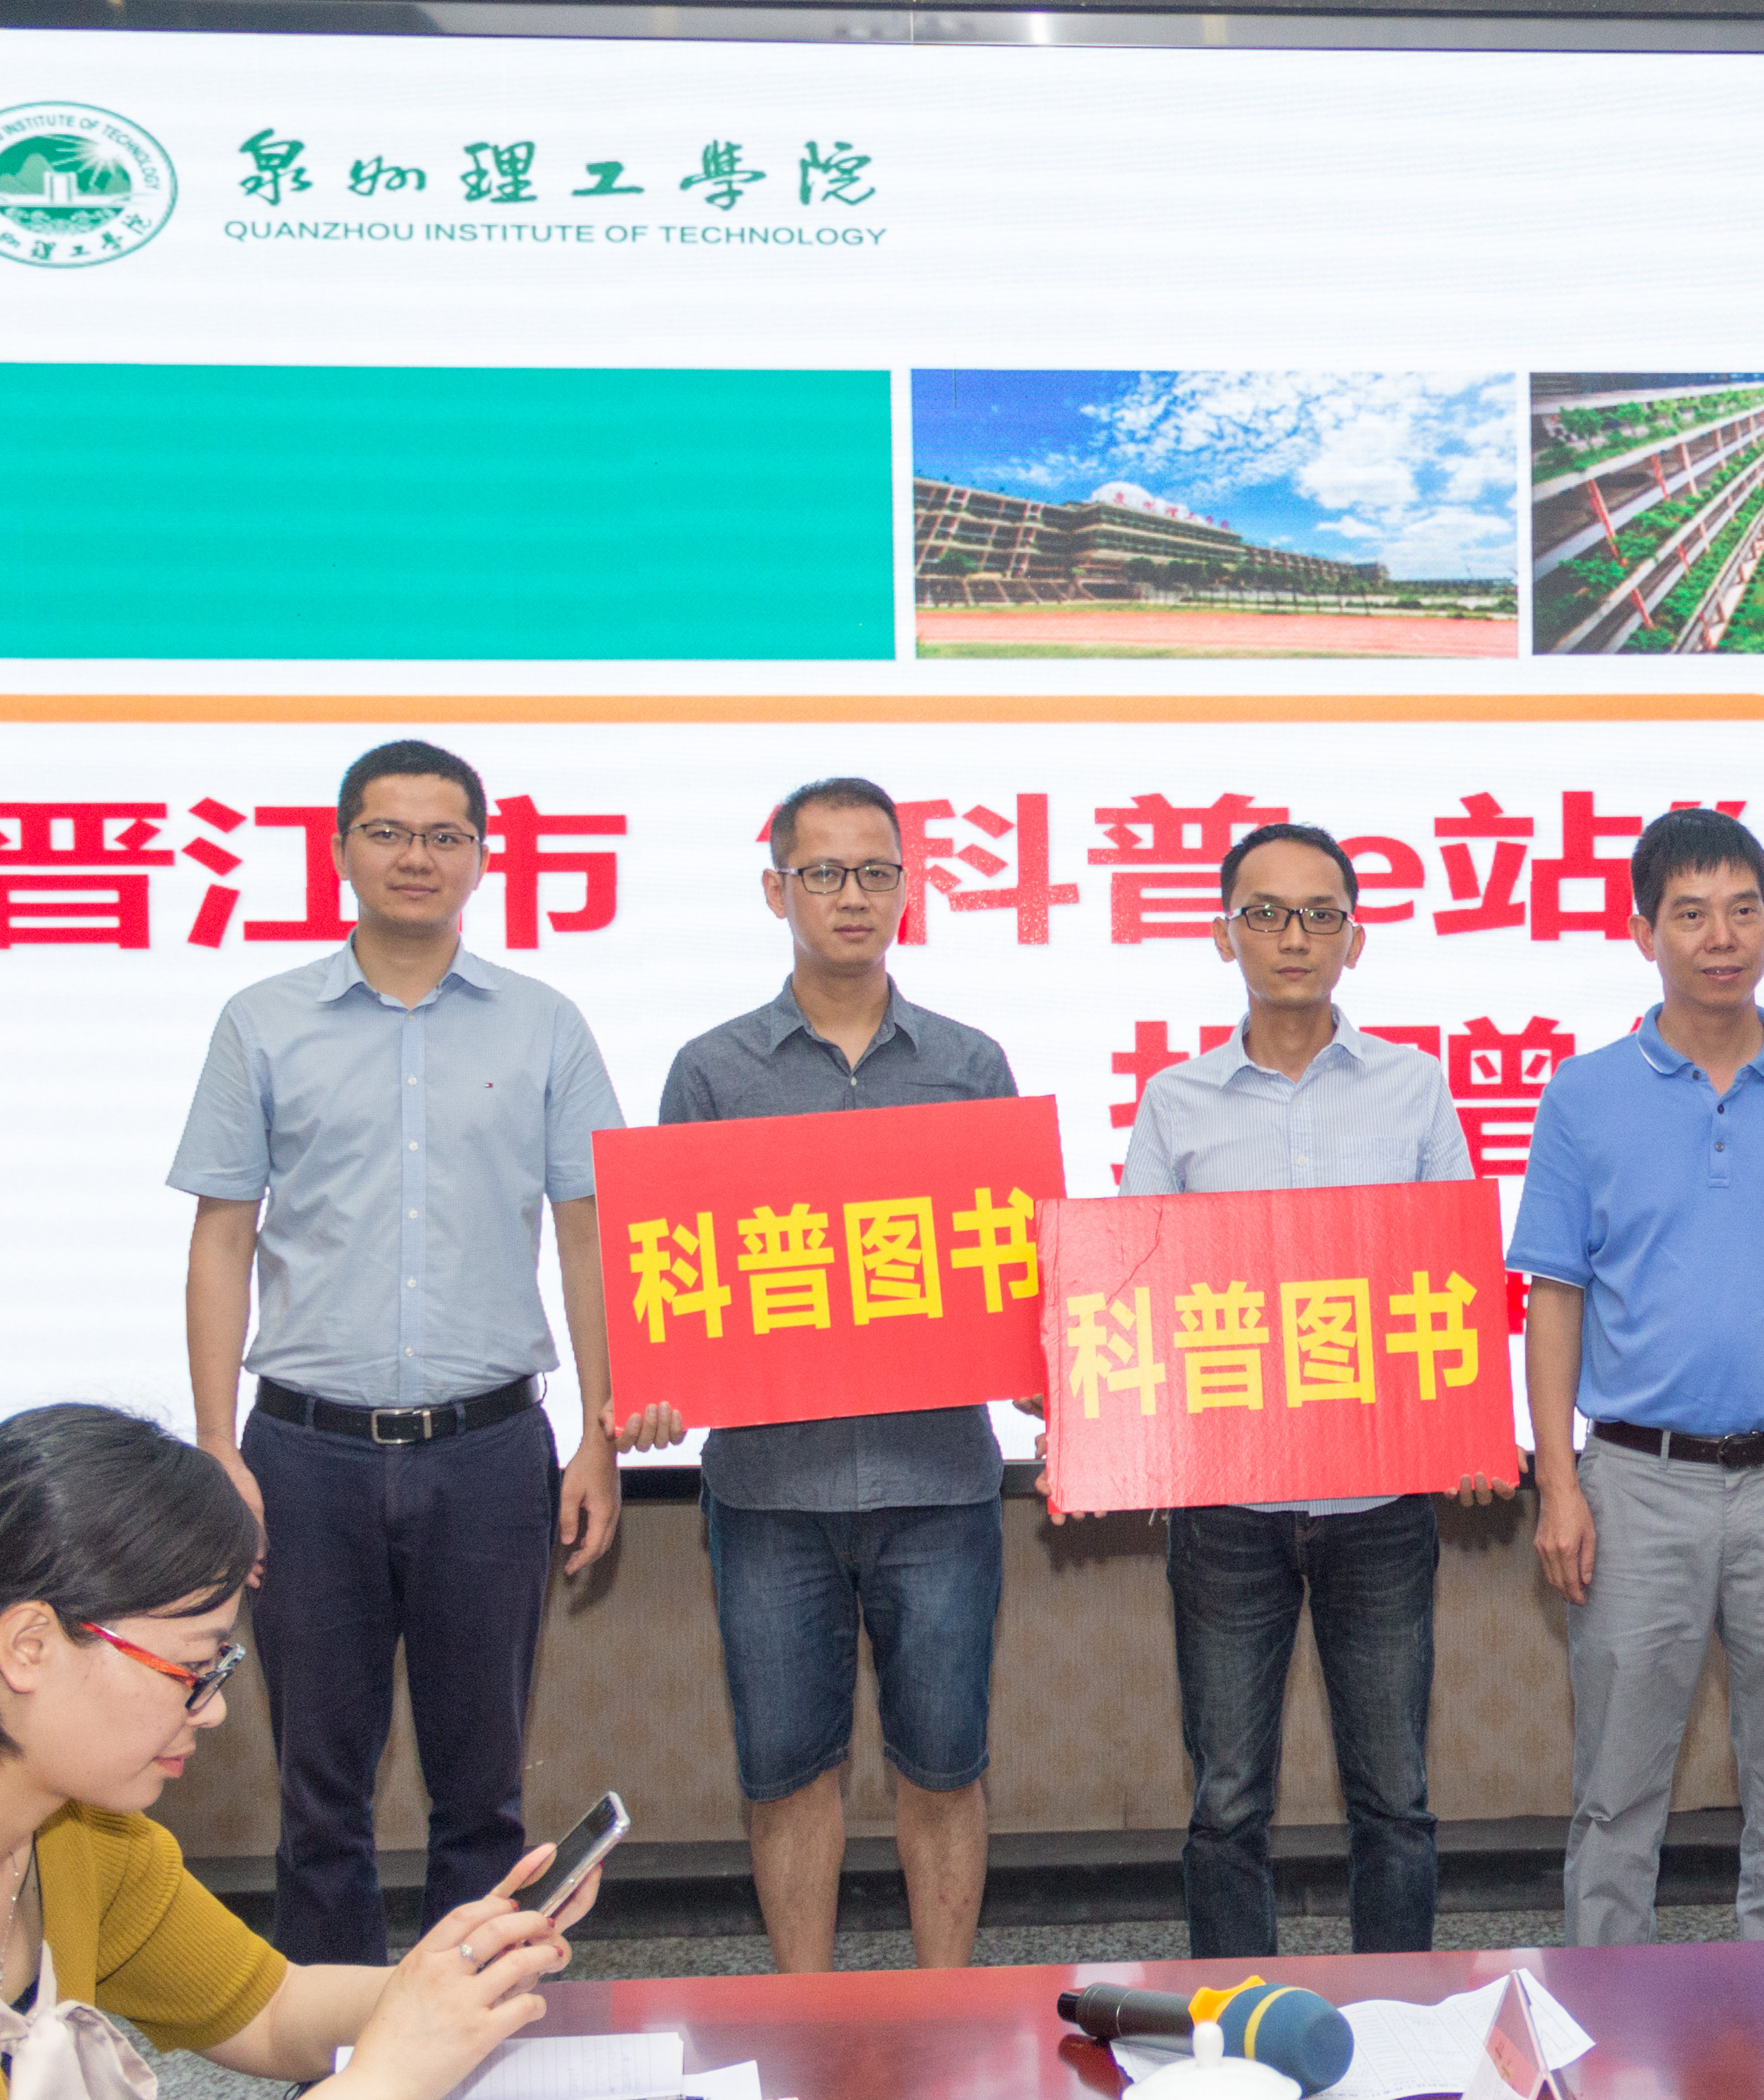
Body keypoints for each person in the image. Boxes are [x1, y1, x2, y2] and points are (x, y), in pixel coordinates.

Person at [170, 738, 630, 1965]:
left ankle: (469, 2028)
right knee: (320, 1795)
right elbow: (223, 1236)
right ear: (340, 850)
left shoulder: (543, 1023)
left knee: (483, 1793)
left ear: (481, 855)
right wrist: (214, 1441)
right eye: (387, 831)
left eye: (443, 834)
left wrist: (598, 1433)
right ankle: (334, 2042)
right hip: (302, 1452)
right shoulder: (263, 1021)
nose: (415, 855)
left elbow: (589, 1235)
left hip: (489, 1449)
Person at [628, 776, 1016, 1974]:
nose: (853, 895)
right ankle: (805, 2016)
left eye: (876, 871)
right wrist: (658, 1378)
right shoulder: (712, 1071)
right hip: (770, 1492)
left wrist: (1043, 1360)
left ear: (907, 886)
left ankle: (945, 2011)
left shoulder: (969, 1063)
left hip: (938, 1479)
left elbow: (1015, 1261)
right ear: (776, 889)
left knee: (942, 1766)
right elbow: (672, 1267)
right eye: (824, 872)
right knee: (788, 1771)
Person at [1508, 808, 1764, 1948]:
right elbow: (1553, 1297)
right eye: (1689, 913)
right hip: (1635, 1484)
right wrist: (1557, 1484)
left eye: (1740, 910)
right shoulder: (1582, 1094)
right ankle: (1601, 2011)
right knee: (1616, 1786)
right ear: (1643, 931)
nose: (1719, 936)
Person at [1116, 821, 1501, 1960]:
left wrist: (1475, 1429)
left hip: (1379, 1507)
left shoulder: (1413, 1088)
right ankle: (1240, 2020)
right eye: (1267, 912)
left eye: (1320, 914)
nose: (1295, 936)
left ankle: (1399, 2019)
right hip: (1227, 1509)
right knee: (1227, 1799)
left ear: (1354, 937)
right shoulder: (1175, 1101)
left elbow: (1455, 1279)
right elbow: (1132, 1293)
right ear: (1224, 933)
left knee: (1394, 1795)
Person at [0, 1403, 599, 2100]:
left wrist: (455, 1974)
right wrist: (385, 2079)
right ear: (29, 1646)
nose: (213, 1708)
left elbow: (271, 2009)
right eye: (190, 1668)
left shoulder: (84, 1837)